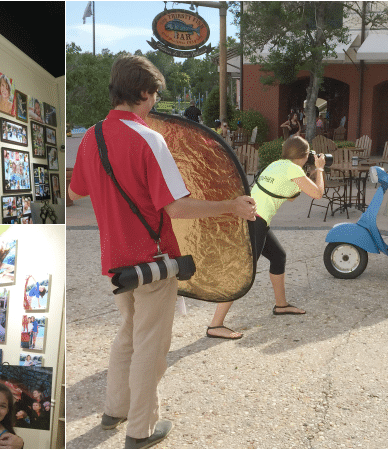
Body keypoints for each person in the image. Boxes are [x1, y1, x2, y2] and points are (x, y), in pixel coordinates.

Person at [68, 54, 256, 449]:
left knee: (128, 335)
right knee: (150, 346)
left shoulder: (91, 137)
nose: (155, 102)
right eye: (153, 94)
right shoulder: (148, 138)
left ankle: (114, 410)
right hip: (152, 261)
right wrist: (230, 206)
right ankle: (141, 429)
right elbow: (177, 207)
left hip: (115, 260)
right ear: (142, 92)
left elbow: (76, 192)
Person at [207, 134, 326, 339]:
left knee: (278, 256)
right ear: (305, 155)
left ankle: (281, 305)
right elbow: (317, 194)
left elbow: (288, 197)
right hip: (255, 219)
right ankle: (215, 325)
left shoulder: (278, 165)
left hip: (254, 216)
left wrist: (304, 179)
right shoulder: (293, 168)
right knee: (242, 271)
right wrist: (320, 169)